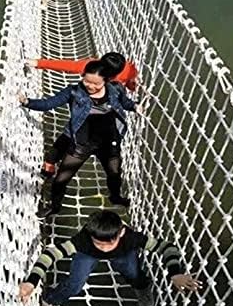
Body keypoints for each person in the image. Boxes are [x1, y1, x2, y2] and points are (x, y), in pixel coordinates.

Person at [18, 210, 202, 306]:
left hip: (123, 253)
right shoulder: (84, 241)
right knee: (75, 284)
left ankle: (142, 288)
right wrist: (31, 281)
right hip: (87, 255)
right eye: (98, 243)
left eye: (109, 243)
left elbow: (168, 248)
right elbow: (50, 255)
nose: (103, 248)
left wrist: (175, 273)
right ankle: (50, 301)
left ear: (121, 233)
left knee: (134, 274)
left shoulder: (131, 238)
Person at [19, 60, 142, 218]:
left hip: (108, 141)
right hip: (82, 142)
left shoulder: (115, 90)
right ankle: (54, 207)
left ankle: (115, 197)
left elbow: (125, 103)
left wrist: (135, 107)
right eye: (86, 81)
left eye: (96, 84)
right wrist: (27, 102)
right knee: (61, 179)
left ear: (106, 80)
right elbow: (49, 103)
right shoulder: (73, 92)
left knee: (114, 173)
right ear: (82, 76)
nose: (90, 86)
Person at [26, 52, 139, 179]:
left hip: (94, 109)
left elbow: (67, 66)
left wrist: (37, 63)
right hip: (106, 114)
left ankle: (50, 164)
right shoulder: (129, 69)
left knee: (69, 135)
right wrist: (132, 88)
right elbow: (130, 85)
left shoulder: (91, 68)